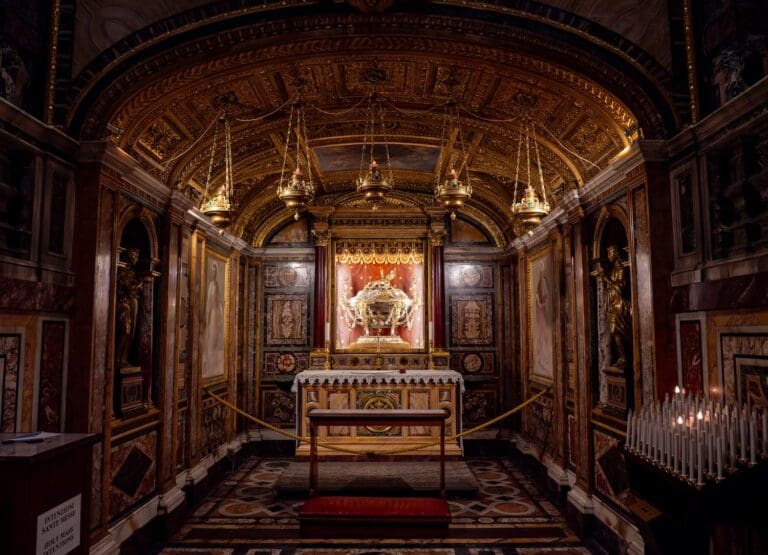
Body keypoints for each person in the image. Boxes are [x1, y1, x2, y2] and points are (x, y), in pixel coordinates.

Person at [593, 245, 631, 370]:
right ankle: (621, 357)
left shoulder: (619, 267)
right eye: (608, 254)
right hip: (612, 303)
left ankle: (624, 357)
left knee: (615, 330)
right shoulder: (613, 268)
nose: (609, 256)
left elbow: (620, 287)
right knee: (613, 331)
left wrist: (607, 280)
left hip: (618, 304)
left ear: (616, 253)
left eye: (610, 253)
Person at [116, 248, 142, 368]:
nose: (135, 258)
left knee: (132, 331)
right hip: (124, 303)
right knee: (125, 330)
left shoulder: (133, 273)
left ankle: (124, 357)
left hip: (133, 301)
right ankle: (117, 357)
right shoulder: (122, 270)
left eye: (137, 256)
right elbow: (125, 286)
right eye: (134, 255)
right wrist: (137, 285)